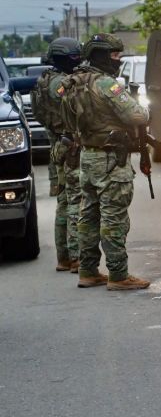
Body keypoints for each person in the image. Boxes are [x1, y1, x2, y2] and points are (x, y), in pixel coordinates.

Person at [63, 34, 152, 290]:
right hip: (110, 159)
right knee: (113, 218)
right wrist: (146, 110)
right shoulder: (106, 85)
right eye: (114, 56)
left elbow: (67, 122)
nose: (118, 60)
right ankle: (118, 275)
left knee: (88, 217)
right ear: (101, 55)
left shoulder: (73, 83)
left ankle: (88, 271)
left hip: (87, 157)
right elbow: (137, 114)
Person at [30, 38, 84, 272]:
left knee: (63, 201)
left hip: (57, 143)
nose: (78, 61)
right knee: (75, 200)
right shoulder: (61, 84)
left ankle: (63, 257)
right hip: (69, 143)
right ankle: (75, 257)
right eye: (75, 58)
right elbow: (78, 109)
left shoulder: (44, 80)